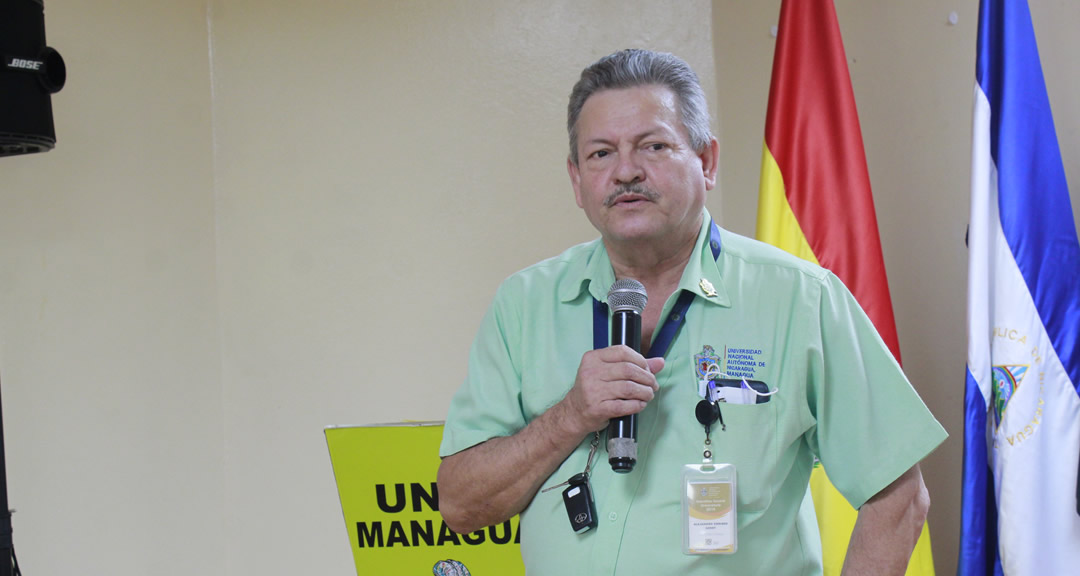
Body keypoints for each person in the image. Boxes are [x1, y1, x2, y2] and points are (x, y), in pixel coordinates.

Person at [437, 49, 946, 575]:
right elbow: (460, 506)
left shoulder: (801, 298)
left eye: (653, 146)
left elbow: (899, 499)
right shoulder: (523, 304)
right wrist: (570, 416)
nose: (626, 171)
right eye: (601, 154)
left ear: (706, 162)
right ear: (576, 180)